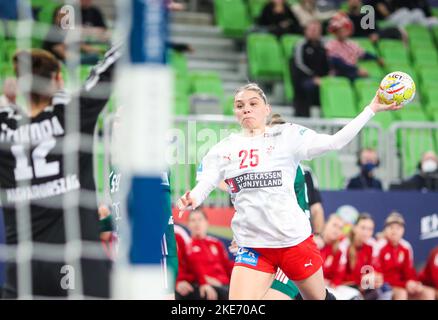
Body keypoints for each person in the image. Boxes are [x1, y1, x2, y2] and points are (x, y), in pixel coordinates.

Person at [177, 82, 401, 300]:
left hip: (293, 243)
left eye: (253, 103)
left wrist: (371, 109)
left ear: (267, 109)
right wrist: (194, 197)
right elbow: (207, 181)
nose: (246, 108)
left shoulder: (287, 136)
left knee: (317, 297)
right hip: (254, 245)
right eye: (239, 105)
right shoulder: (223, 148)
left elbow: (335, 142)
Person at [0, 46, 121, 298]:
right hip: (77, 265)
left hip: (24, 271)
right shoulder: (72, 114)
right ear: (57, 79)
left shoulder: (4, 131)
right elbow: (107, 69)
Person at [375, 212, 435, 300]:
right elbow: (379, 277)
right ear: (385, 230)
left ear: (403, 230)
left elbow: (409, 271)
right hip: (386, 287)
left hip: (403, 285)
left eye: (398, 228)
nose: (394, 231)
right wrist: (404, 284)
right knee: (401, 293)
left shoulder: (406, 247)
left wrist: (414, 283)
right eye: (391, 228)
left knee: (428, 293)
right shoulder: (379, 246)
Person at [176, 209, 233, 300]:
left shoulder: (216, 243)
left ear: (206, 223)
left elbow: (227, 265)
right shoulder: (186, 246)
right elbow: (183, 270)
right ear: (188, 225)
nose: (197, 223)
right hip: (206, 287)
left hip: (226, 285)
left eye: (200, 219)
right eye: (193, 220)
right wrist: (204, 281)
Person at [336, 213, 386, 300]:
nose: (366, 232)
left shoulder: (372, 244)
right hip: (344, 287)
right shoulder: (343, 245)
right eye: (363, 228)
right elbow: (338, 276)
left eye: (370, 229)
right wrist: (362, 281)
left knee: (382, 291)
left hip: (362, 287)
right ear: (355, 228)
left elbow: (378, 270)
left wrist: (376, 277)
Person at [326, 12, 383, 81]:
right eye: (338, 30)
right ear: (335, 31)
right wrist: (356, 70)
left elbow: (363, 54)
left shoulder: (352, 44)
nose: (341, 32)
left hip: (353, 73)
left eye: (344, 28)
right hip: (340, 73)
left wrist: (376, 58)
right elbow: (337, 63)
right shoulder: (330, 45)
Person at [317, 214, 362, 300]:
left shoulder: (338, 251)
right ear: (326, 224)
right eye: (334, 225)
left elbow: (338, 274)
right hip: (311, 285)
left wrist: (333, 283)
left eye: (340, 228)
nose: (337, 230)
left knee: (356, 296)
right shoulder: (314, 243)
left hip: (329, 287)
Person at [291, 20, 330, 117]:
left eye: (317, 30)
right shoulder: (301, 45)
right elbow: (299, 65)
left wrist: (326, 77)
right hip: (304, 78)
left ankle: (329, 115)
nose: (314, 32)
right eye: (312, 29)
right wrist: (314, 77)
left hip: (321, 79)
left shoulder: (323, 46)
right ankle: (304, 115)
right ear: (306, 31)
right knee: (308, 87)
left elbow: (327, 64)